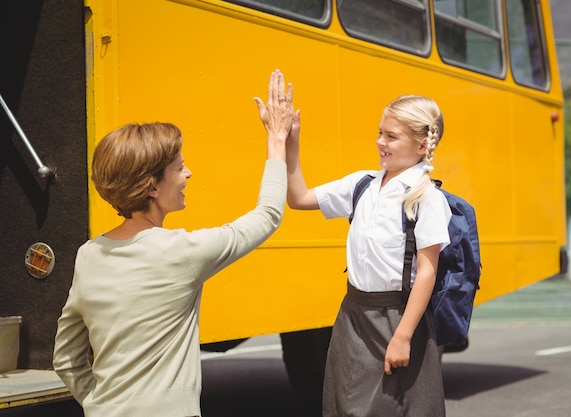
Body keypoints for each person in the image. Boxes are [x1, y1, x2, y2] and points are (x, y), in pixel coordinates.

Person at [52, 70, 294, 417]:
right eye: (179, 168)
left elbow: (65, 357)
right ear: (152, 187)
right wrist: (277, 137)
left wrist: (97, 403)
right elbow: (268, 214)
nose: (188, 174)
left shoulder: (89, 255)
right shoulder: (183, 253)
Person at [282, 95, 451, 416]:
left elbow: (427, 273)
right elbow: (299, 198)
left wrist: (403, 337)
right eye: (380, 133)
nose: (380, 142)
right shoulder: (361, 185)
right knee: (344, 405)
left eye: (391, 136)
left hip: (398, 320)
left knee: (397, 409)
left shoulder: (427, 199)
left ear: (420, 145)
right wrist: (291, 143)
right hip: (353, 316)